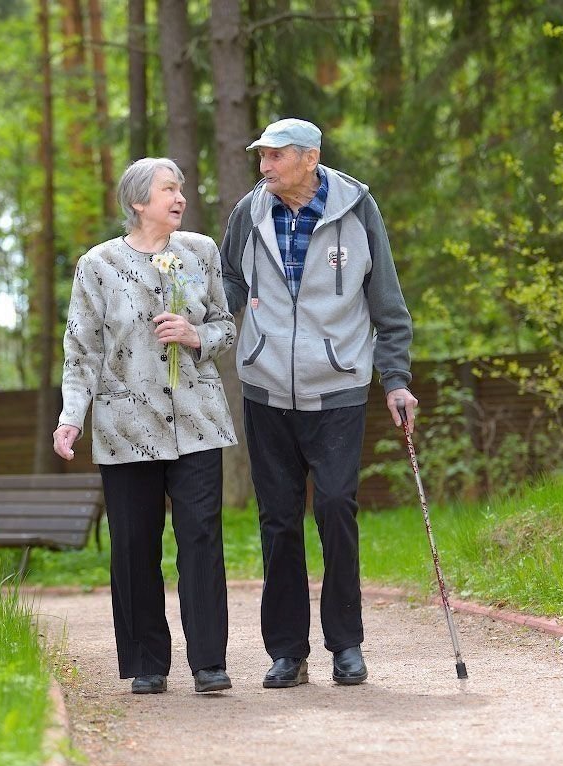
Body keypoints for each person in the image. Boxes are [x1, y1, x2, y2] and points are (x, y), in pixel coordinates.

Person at [220, 118, 418, 689]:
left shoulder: (358, 209)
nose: (265, 166)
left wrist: (396, 379)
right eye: (262, 156)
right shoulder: (248, 212)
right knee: (278, 522)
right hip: (265, 389)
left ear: (310, 158)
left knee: (335, 507)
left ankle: (346, 645)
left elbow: (386, 300)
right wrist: (204, 318)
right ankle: (287, 651)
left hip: (337, 387)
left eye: (276, 156)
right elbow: (231, 283)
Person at [53, 157, 237, 695]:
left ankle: (209, 663)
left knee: (201, 538)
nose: (180, 198)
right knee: (134, 545)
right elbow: (80, 350)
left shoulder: (201, 252)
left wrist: (196, 335)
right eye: (168, 190)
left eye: (180, 190)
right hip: (124, 427)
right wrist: (71, 417)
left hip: (198, 422)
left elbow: (226, 325)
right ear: (138, 201)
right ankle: (146, 663)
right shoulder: (98, 264)